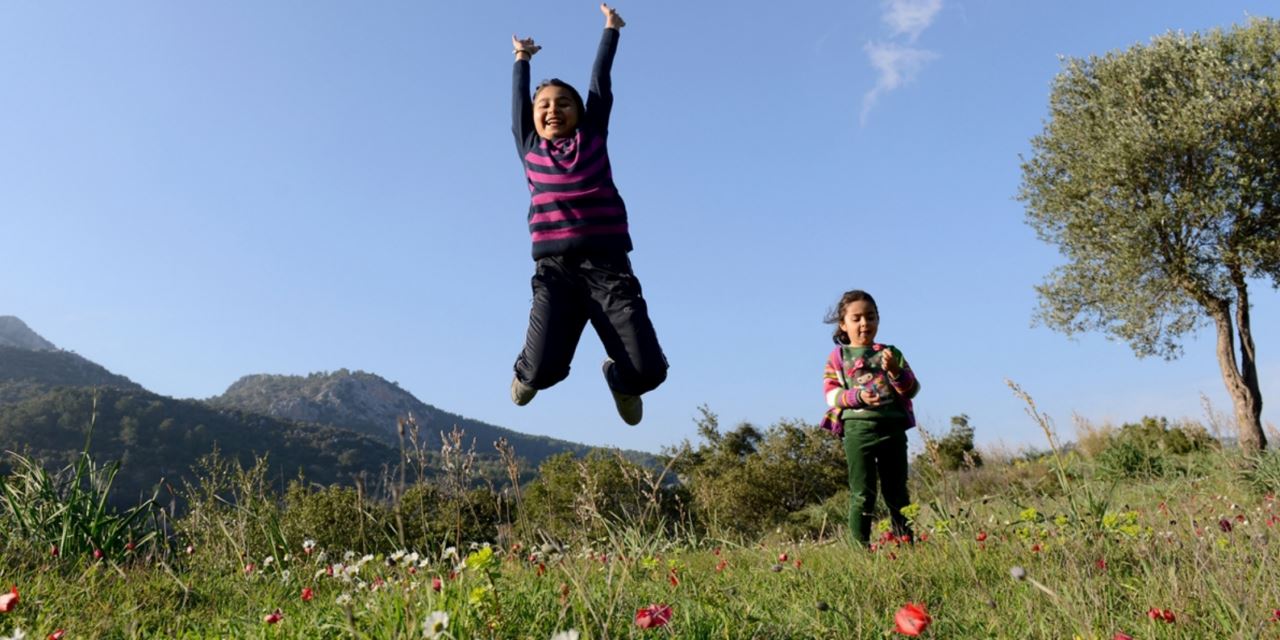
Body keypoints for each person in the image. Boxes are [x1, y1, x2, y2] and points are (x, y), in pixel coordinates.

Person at [508, 3, 667, 425]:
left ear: (579, 113)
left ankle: (620, 380)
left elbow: (599, 83)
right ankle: (527, 372)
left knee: (650, 371)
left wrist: (610, 30)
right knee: (541, 372)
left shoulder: (592, 137)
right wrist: (521, 60)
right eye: (543, 105)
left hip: (607, 268)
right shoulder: (530, 148)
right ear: (533, 117)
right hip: (556, 272)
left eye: (563, 103)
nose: (553, 109)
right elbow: (517, 108)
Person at [820, 290, 920, 545]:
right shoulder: (838, 358)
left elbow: (912, 390)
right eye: (857, 318)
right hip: (858, 432)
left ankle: (905, 544)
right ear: (843, 324)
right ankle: (860, 549)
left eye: (871, 317)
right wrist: (858, 398)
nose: (865, 323)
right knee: (863, 493)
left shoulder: (890, 352)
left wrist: (896, 372)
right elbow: (831, 395)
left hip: (892, 431)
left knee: (897, 492)